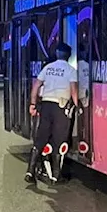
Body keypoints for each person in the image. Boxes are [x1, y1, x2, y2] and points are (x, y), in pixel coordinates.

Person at [26, 42, 78, 184]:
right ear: (69, 56)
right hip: (60, 107)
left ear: (57, 54)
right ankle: (56, 176)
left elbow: (36, 85)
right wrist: (78, 106)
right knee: (59, 141)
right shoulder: (71, 70)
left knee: (41, 138)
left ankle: (30, 172)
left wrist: (33, 104)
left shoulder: (48, 68)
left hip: (46, 105)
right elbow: (73, 90)